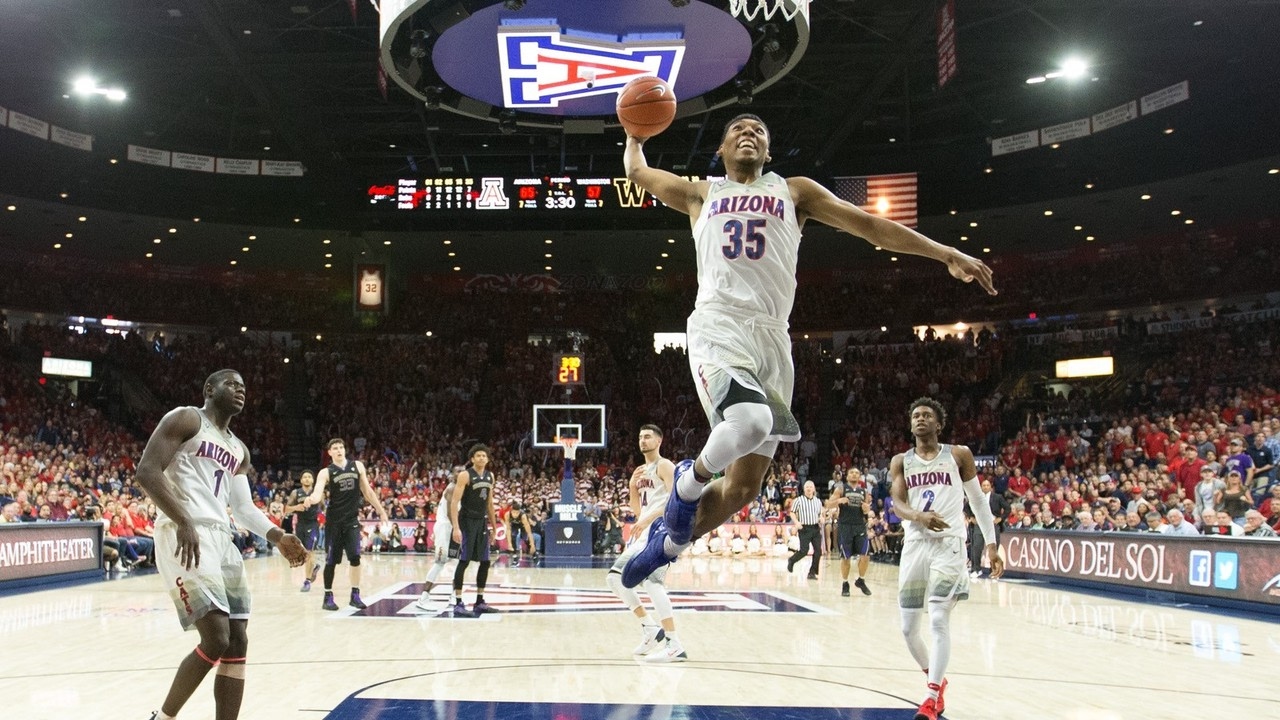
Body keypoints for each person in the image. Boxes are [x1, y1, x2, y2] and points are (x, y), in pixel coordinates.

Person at [619, 114, 995, 588]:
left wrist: (945, 253)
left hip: (774, 339)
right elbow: (637, 172)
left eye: (759, 130)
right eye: (738, 129)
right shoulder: (701, 193)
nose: (750, 133)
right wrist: (634, 135)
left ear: (770, 152)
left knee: (742, 488)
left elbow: (870, 227)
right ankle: (688, 484)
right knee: (751, 422)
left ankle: (666, 545)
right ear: (721, 147)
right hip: (720, 326)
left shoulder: (794, 191)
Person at [133, 369, 307, 720]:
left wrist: (277, 535)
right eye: (232, 384)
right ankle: (162, 718)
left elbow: (242, 508)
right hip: (184, 532)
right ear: (209, 389)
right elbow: (147, 471)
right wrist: (183, 519)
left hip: (221, 539)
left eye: (244, 386)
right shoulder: (185, 418)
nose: (240, 389)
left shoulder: (239, 449)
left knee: (238, 640)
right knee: (215, 638)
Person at [889, 397, 1001, 720]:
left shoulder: (958, 454)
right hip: (915, 544)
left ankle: (931, 696)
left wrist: (990, 544)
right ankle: (935, 676)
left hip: (949, 544)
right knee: (909, 629)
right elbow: (897, 503)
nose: (920, 419)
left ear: (939, 424)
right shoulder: (901, 461)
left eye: (927, 415)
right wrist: (918, 517)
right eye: (915, 415)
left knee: (938, 618)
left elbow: (978, 501)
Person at [606, 424, 686, 662]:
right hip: (644, 532)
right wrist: (632, 486)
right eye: (640, 436)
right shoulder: (640, 471)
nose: (643, 440)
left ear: (659, 441)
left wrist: (648, 519)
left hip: (662, 529)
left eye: (648, 436)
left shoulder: (665, 465)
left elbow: (675, 501)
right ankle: (649, 627)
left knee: (653, 583)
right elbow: (637, 509)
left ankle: (674, 643)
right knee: (614, 578)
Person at [306, 438, 389, 611]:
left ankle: (355, 594)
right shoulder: (325, 472)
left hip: (351, 521)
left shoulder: (357, 466)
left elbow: (367, 491)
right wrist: (311, 499)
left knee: (355, 558)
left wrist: (381, 510)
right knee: (331, 561)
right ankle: (327, 596)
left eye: (341, 447)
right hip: (334, 522)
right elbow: (317, 493)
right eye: (335, 448)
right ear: (329, 453)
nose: (339, 450)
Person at [450, 444, 501, 617]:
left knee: (485, 562)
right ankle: (458, 603)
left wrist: (494, 527)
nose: (481, 458)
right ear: (472, 459)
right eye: (477, 455)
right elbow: (454, 502)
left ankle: (479, 601)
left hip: (481, 522)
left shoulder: (490, 476)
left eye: (484, 455)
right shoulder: (465, 475)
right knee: (464, 561)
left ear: (487, 459)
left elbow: (489, 503)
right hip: (466, 521)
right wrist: (456, 527)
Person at [413, 476, 458, 613]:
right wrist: (457, 527)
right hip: (446, 527)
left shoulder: (460, 488)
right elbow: (451, 512)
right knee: (440, 562)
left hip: (451, 528)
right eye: (458, 472)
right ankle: (423, 598)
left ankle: (454, 596)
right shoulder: (451, 488)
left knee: (457, 561)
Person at [827, 468, 873, 596]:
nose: (854, 474)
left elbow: (866, 510)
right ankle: (845, 583)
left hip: (859, 526)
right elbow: (828, 504)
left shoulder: (864, 491)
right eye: (851, 472)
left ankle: (861, 580)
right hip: (845, 526)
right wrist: (838, 501)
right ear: (847, 476)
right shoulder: (841, 489)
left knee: (865, 556)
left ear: (860, 477)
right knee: (846, 557)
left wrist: (866, 509)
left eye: (857, 473)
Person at [283, 470, 321, 591]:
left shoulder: (317, 493)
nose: (307, 479)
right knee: (304, 554)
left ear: (313, 480)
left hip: (313, 524)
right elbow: (286, 509)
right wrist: (296, 507)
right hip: (300, 525)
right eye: (304, 477)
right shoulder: (296, 493)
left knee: (309, 552)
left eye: (309, 477)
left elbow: (324, 508)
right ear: (301, 480)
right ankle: (314, 567)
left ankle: (307, 581)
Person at [785, 480, 824, 579]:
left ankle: (812, 572)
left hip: (815, 528)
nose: (809, 489)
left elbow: (820, 514)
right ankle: (792, 560)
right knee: (804, 551)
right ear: (804, 489)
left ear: (814, 489)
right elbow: (792, 512)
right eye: (807, 487)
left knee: (818, 551)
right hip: (804, 528)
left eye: (811, 487)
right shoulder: (798, 500)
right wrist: (796, 522)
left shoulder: (818, 501)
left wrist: (821, 518)